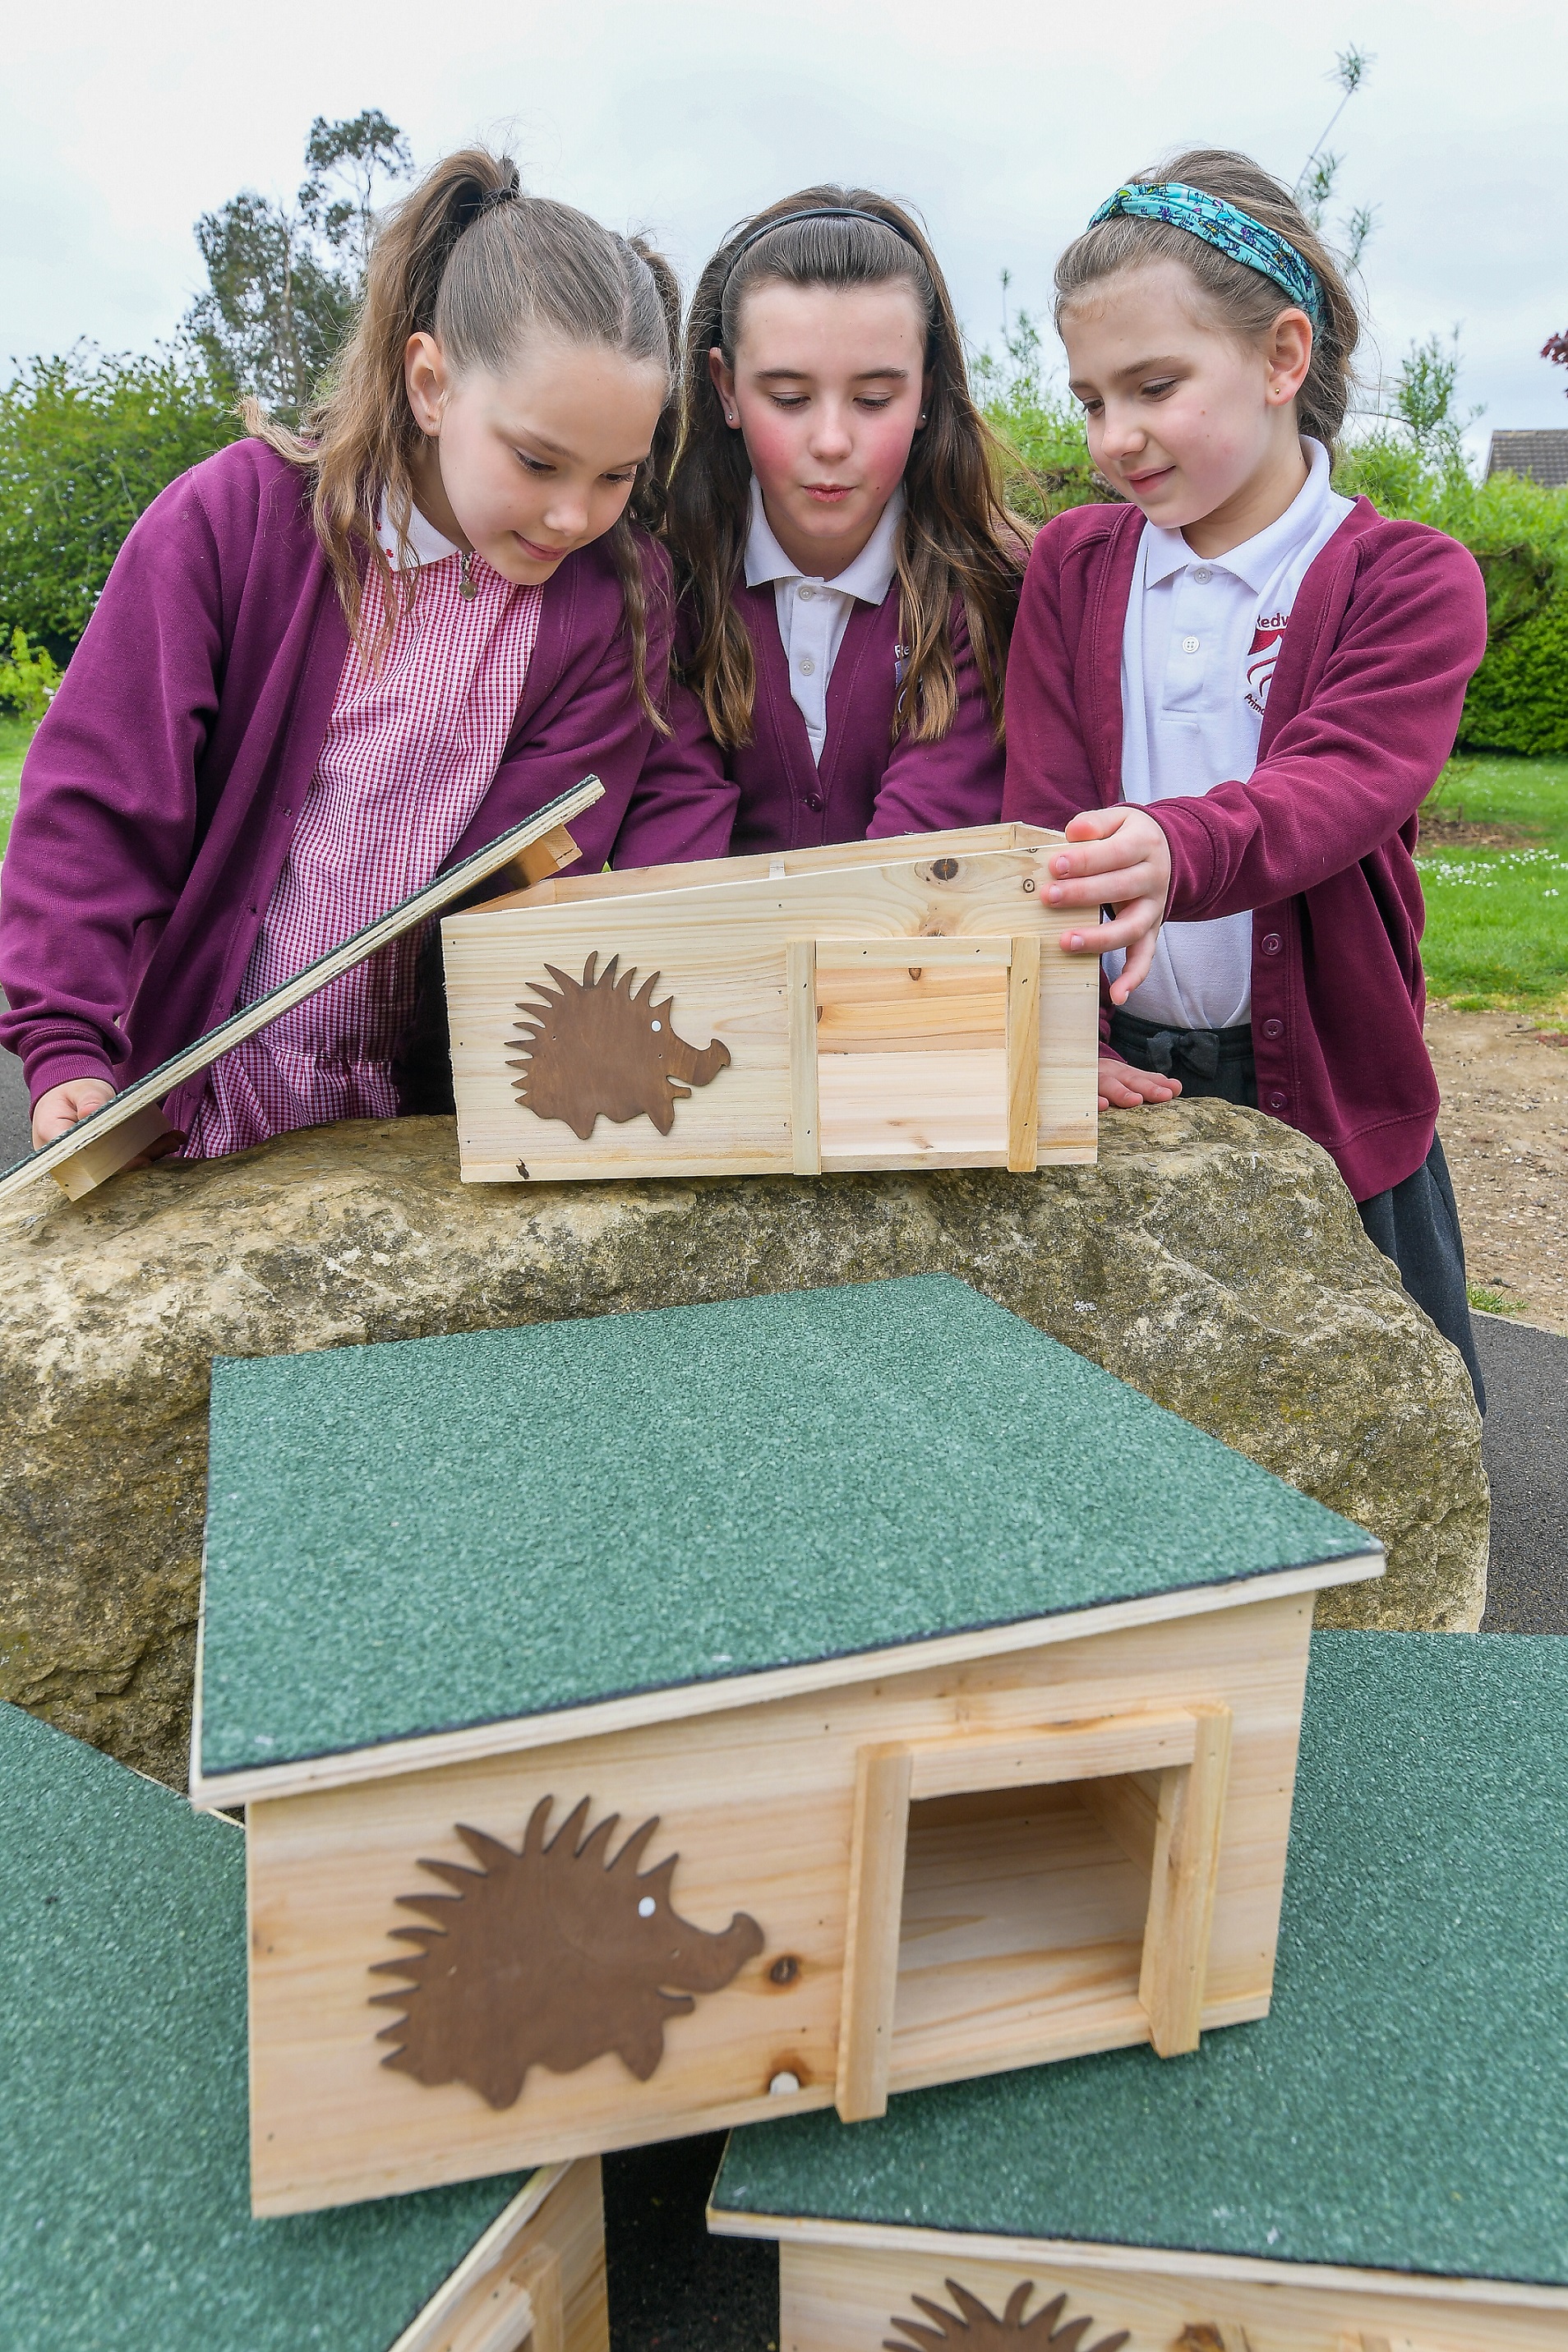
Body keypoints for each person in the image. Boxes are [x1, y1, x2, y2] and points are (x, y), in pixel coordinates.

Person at [0, 149, 736, 1160]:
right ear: (431, 383)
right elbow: (96, 802)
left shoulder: (616, 598)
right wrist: (67, 1042)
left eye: (616, 474)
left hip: (428, 1123)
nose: (574, 515)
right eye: (536, 461)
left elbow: (546, 885)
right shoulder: (235, 521)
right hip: (188, 1102)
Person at [1002, 149, 1489, 1401]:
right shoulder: (1075, 564)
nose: (1114, 438)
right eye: (1091, 398)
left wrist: (1174, 844)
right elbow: (1038, 822)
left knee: (1392, 1437)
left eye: (1155, 386)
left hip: (1331, 1079)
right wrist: (1065, 1034)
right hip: (1126, 1068)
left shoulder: (1409, 576)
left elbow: (1340, 783)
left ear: (1281, 360)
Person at [654, 187, 1026, 853]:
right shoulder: (662, 591)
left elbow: (916, 868)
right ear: (725, 388)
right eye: (789, 397)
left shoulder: (998, 589)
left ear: (928, 393)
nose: (831, 441)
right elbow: (676, 852)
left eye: (874, 398)